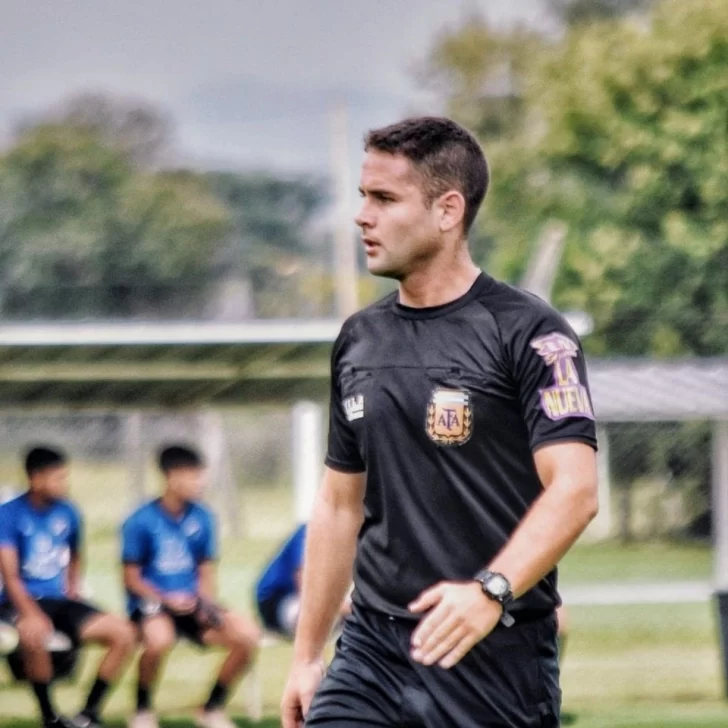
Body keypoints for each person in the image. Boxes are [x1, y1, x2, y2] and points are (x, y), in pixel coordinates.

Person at [281, 117, 599, 728]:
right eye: (363, 197)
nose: (362, 217)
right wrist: (306, 655)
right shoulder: (359, 339)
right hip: (371, 650)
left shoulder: (529, 332)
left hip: (494, 654)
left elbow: (575, 490)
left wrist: (490, 592)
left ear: (448, 210)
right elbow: (339, 505)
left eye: (384, 199)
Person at [121, 445, 260, 728]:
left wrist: (205, 603)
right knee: (159, 639)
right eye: (194, 476)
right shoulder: (140, 520)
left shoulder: (203, 517)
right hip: (154, 604)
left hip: (193, 603)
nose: (201, 483)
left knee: (247, 635)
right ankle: (142, 710)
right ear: (172, 477)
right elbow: (131, 578)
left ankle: (211, 708)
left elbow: (206, 569)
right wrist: (166, 599)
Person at [0, 447, 136, 728]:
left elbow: (75, 553)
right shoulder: (9, 514)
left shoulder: (68, 511)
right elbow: (10, 576)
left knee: (123, 634)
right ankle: (50, 717)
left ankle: (89, 714)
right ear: (36, 478)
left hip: (59, 600)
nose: (64, 483)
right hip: (20, 599)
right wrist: (31, 614)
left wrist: (73, 587)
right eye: (58, 478)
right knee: (34, 634)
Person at [255, 524, 351, 639]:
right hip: (278, 600)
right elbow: (306, 585)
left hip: (309, 596)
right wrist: (343, 608)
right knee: (317, 615)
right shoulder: (313, 530)